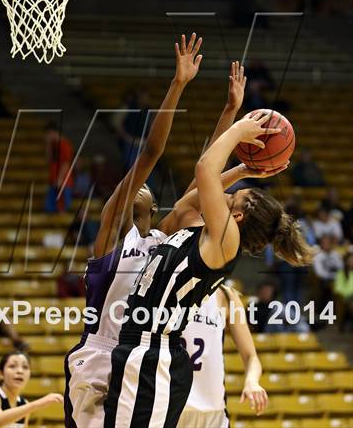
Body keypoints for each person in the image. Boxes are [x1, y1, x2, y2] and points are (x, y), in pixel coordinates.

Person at [104, 108, 313, 428]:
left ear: (238, 218)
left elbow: (205, 169)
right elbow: (191, 199)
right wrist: (243, 169)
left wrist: (239, 131)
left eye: (233, 198)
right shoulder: (200, 233)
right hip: (142, 349)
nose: (225, 194)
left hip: (153, 352)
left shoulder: (226, 241)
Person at [64, 33, 203, 428]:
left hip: (141, 359)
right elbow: (151, 153)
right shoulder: (113, 233)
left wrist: (243, 158)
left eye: (144, 188)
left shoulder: (162, 241)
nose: (133, 186)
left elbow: (203, 184)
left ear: (156, 208)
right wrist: (177, 85)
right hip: (99, 353)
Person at [178, 286, 268, 428]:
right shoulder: (169, 286)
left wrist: (252, 381)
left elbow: (251, 357)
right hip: (170, 409)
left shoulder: (227, 295)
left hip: (214, 413)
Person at [0, 351, 63, 427]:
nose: (20, 371)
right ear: (1, 373)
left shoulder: (23, 403)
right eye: (12, 366)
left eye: (25, 367)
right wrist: (39, 403)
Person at [44, 122, 74, 213]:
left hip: (62, 182)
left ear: (52, 132)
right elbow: (49, 160)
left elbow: (66, 163)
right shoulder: (54, 145)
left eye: (47, 134)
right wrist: (48, 145)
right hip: (54, 181)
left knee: (62, 209)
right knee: (50, 209)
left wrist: (60, 179)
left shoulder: (64, 144)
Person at [312, 235, 343, 315]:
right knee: (327, 288)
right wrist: (332, 276)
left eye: (328, 243)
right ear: (321, 244)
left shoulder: (335, 254)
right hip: (324, 280)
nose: (327, 245)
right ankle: (325, 312)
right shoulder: (318, 256)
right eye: (324, 243)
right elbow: (319, 273)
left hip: (337, 278)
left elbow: (341, 267)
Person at [334, 251, 353, 331]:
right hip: (345, 297)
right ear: (346, 261)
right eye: (350, 260)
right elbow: (338, 288)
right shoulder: (341, 273)